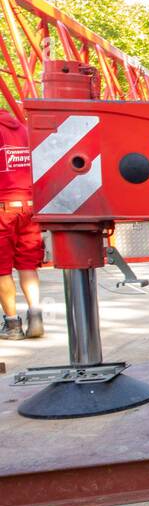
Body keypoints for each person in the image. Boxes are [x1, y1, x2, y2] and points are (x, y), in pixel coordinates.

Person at [0, 110, 42, 341]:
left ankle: (12, 324)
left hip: (3, 208)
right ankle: (35, 317)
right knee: (27, 263)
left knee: (2, 269)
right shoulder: (23, 130)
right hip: (29, 205)